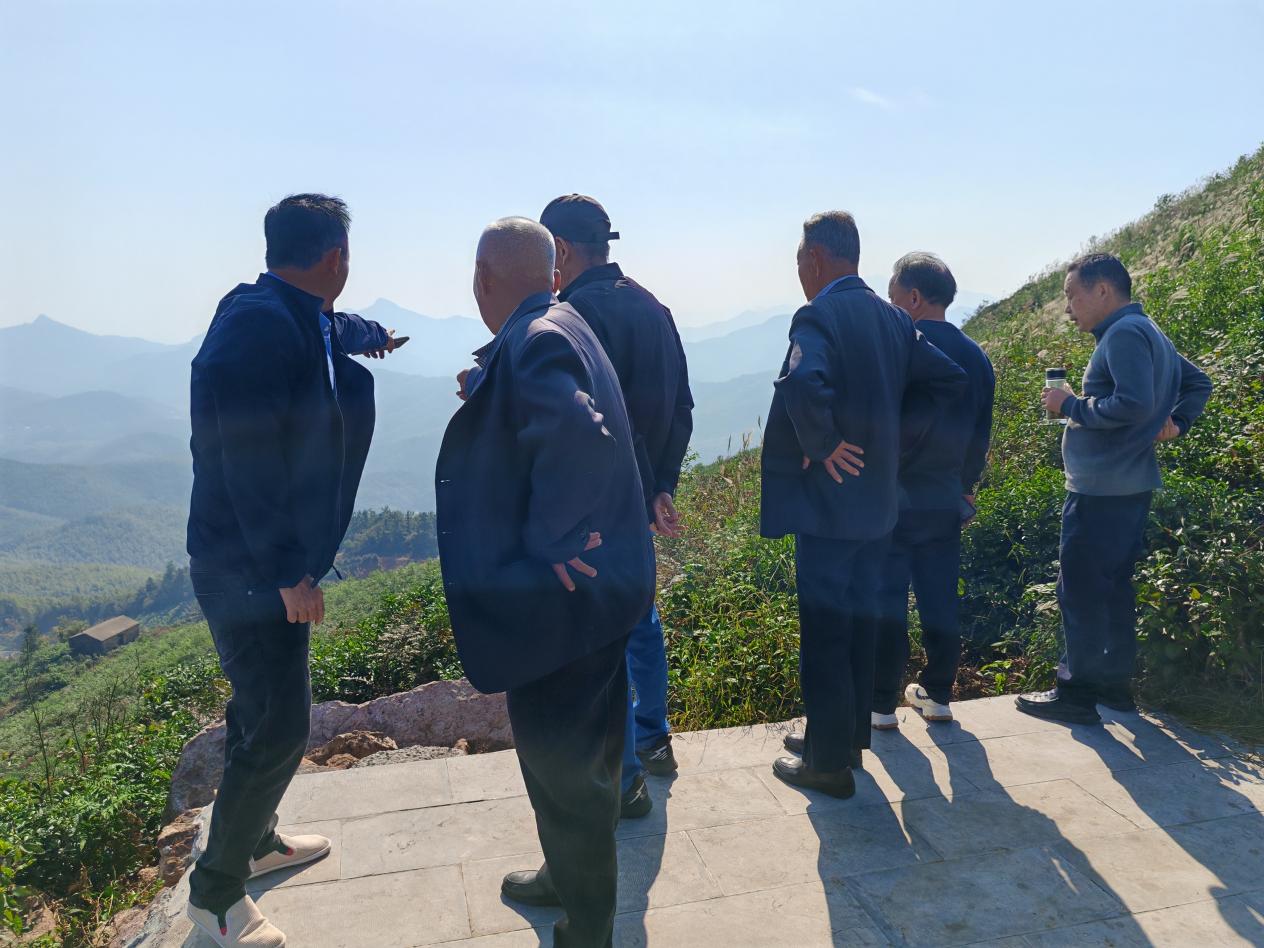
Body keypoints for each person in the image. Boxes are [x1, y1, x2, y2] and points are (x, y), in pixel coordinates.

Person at [435, 217, 654, 948]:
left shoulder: (536, 339)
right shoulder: (560, 323)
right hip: (603, 593)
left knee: (566, 771)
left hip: (564, 606)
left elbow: (577, 432)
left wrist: (555, 537)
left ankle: (587, 926)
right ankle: (564, 876)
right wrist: (488, 388)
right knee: (583, 755)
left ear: (482, 279)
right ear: (553, 273)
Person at [185, 194, 376, 947]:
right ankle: (215, 897)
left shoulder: (286, 310)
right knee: (279, 727)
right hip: (248, 570)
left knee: (259, 710)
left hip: (259, 565)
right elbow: (247, 461)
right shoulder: (258, 328)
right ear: (335, 258)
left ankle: (255, 841)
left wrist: (373, 337)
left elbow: (332, 327)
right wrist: (288, 572)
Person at [762, 212, 967, 799]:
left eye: (799, 259)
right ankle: (843, 739)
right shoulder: (893, 317)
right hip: (878, 508)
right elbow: (948, 380)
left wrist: (824, 443)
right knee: (856, 628)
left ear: (815, 258)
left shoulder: (818, 315)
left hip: (829, 510)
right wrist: (889, 443)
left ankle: (827, 766)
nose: (798, 270)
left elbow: (804, 383)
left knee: (826, 633)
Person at [539, 194, 694, 817]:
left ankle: (623, 778)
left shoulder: (570, 316)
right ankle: (654, 738)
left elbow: (581, 426)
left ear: (562, 249)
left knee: (601, 638)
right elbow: (681, 406)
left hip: (597, 507)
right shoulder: (654, 307)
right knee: (640, 619)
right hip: (640, 500)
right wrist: (662, 485)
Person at [1017, 253, 1212, 724]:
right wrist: (1177, 422)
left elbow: (1131, 404)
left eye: (1071, 295)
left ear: (1102, 290)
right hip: (1130, 485)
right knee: (1113, 590)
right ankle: (1113, 688)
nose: (1068, 308)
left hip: (1100, 490)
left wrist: (1070, 406)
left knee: (1081, 591)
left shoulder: (1124, 334)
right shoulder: (1148, 331)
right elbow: (1198, 383)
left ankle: (1077, 695)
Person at [870, 252, 996, 728]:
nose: (890, 305)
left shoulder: (901, 348)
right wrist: (966, 486)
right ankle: (939, 693)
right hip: (945, 498)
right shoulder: (976, 356)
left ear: (914, 297)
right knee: (940, 597)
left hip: (892, 498)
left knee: (887, 600)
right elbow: (980, 433)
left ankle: (881, 703)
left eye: (892, 296)